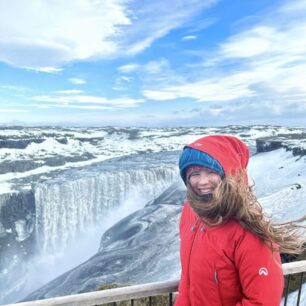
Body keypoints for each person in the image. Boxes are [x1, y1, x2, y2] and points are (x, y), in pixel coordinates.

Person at [175, 135, 305, 306]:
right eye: (195, 173)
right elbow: (187, 280)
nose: (202, 181)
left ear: (229, 174)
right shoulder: (191, 213)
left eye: (211, 172)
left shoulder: (248, 228)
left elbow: (262, 301)